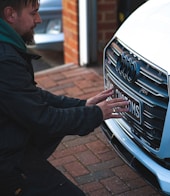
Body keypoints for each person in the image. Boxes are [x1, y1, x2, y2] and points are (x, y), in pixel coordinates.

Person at [0, 0, 129, 195]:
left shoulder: (7, 48)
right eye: (33, 13)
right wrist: (96, 114)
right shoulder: (5, 59)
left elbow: (31, 96)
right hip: (7, 160)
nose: (39, 19)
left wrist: (83, 104)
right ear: (10, 15)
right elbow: (43, 119)